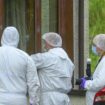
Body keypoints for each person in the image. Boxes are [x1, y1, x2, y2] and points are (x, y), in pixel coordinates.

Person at [31, 32, 75, 105]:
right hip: (64, 98)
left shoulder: (47, 57)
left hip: (49, 99)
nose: (44, 46)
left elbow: (27, 61)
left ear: (49, 43)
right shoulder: (68, 62)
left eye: (45, 43)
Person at [0, 26, 40, 105]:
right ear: (17, 38)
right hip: (18, 100)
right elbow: (33, 83)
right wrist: (34, 102)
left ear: (2, 37)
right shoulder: (25, 57)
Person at [80, 34, 105, 105]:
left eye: (95, 45)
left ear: (101, 47)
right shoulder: (102, 59)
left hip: (98, 100)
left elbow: (100, 83)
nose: (93, 47)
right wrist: (91, 79)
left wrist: (86, 84)